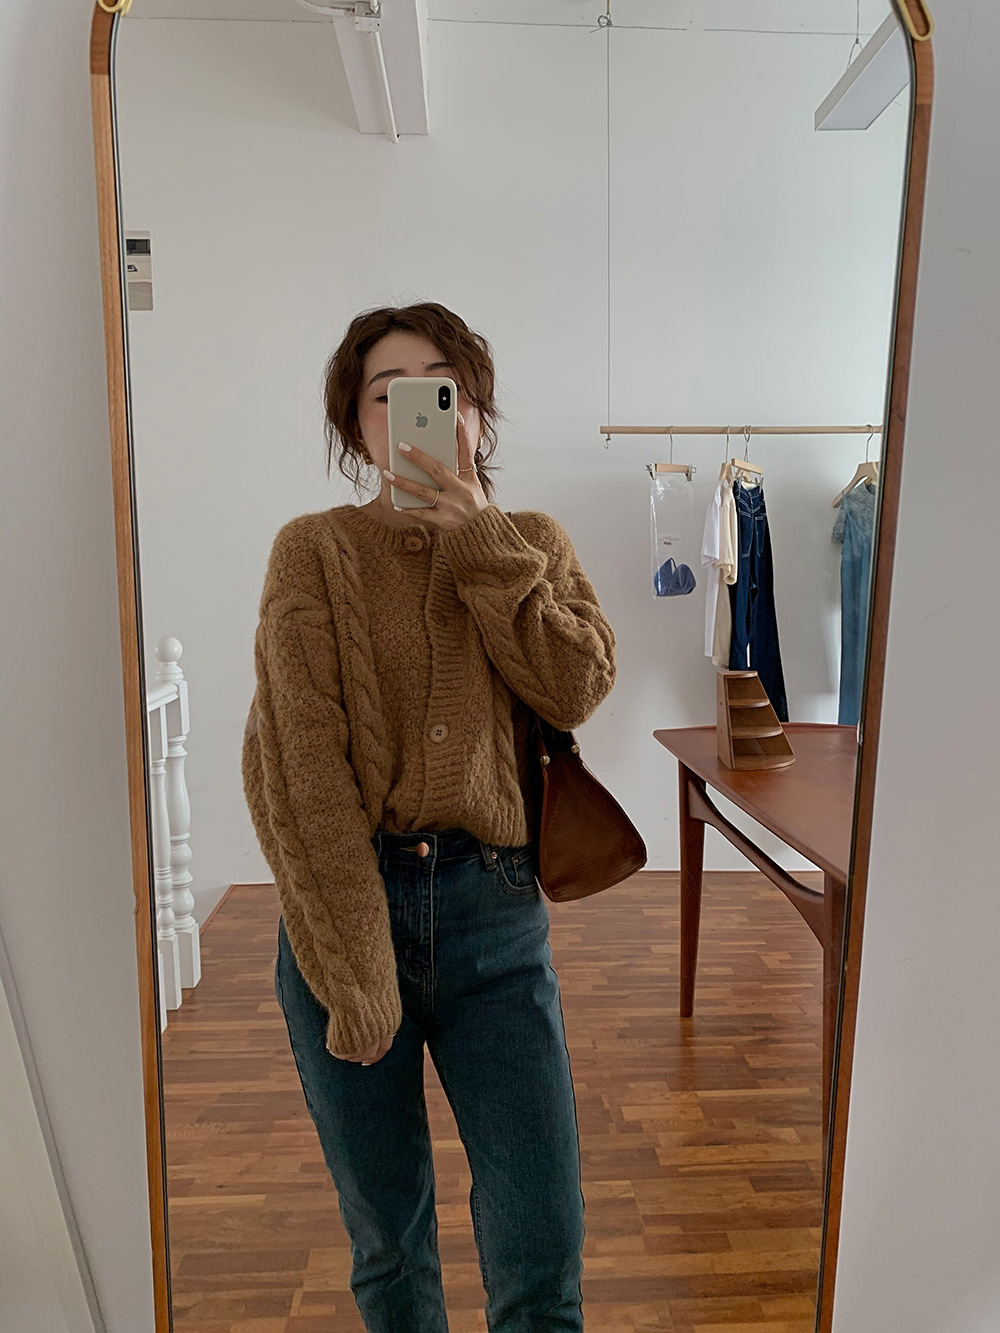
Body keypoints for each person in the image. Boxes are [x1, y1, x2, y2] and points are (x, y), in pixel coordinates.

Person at [241, 302, 617, 1332]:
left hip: (496, 917)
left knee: (541, 1242)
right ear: (355, 424)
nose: (416, 412)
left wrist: (482, 539)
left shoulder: (530, 541)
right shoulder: (312, 553)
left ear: (475, 413)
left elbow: (577, 684)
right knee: (391, 1244)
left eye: (441, 389)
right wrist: (356, 970)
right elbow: (300, 773)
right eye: (386, 393)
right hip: (345, 911)